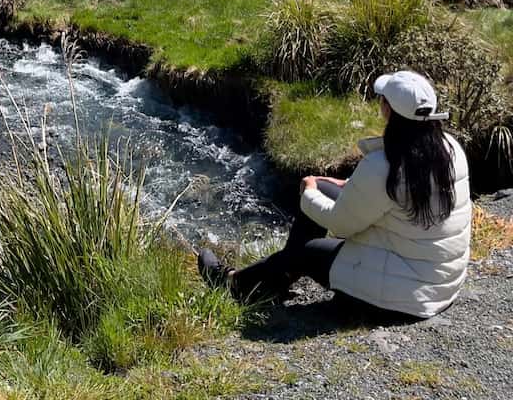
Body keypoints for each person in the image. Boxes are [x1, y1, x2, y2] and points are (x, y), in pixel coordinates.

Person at [198, 70, 472, 319]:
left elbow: (340, 225)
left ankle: (234, 283)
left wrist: (309, 193)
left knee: (304, 251)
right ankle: (274, 280)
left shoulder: (383, 166)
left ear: (388, 110)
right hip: (439, 283)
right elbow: (389, 196)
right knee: (327, 188)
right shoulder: (450, 149)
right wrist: (346, 184)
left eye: (382, 100)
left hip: (398, 299)